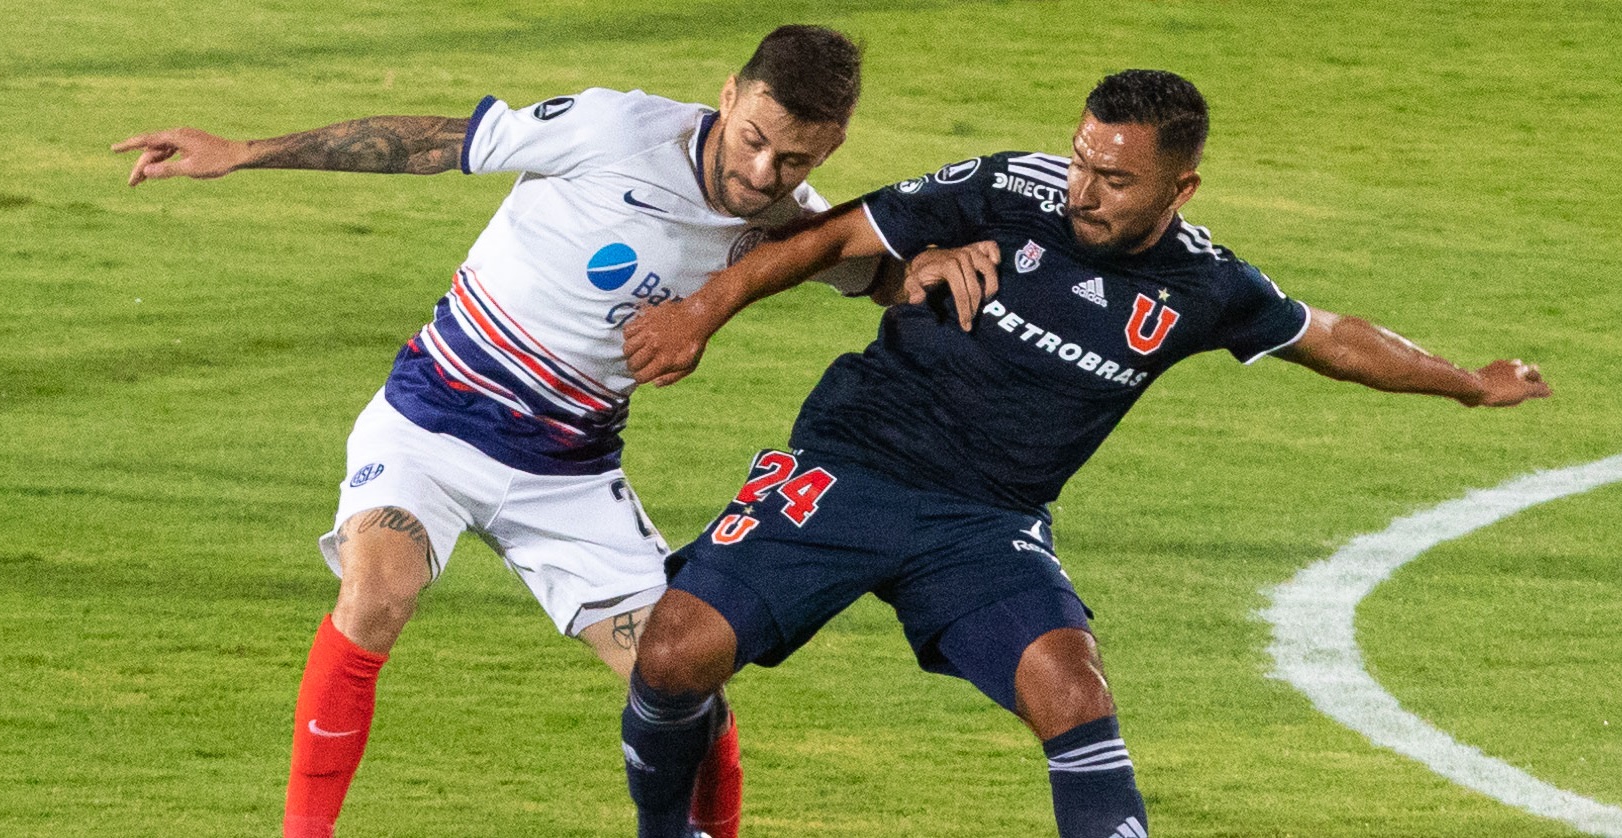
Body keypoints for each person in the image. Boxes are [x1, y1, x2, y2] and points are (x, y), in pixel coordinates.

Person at [616, 69, 1551, 838]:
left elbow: (1333, 336)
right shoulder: (1010, 188)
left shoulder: (1205, 286)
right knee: (673, 653)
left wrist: (1469, 381)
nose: (1083, 191)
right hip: (850, 467)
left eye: (1115, 179)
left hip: (986, 524)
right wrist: (703, 314)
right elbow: (836, 234)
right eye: (1081, 161)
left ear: (1180, 189)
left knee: (1074, 693)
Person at [114, 25, 898, 838]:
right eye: (754, 141)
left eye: (796, 161)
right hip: (430, 427)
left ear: (831, 147)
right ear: (729, 94)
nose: (761, 173)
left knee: (680, 680)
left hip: (571, 473)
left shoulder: (791, 225)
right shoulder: (616, 131)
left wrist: (942, 259)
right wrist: (242, 151)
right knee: (378, 589)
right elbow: (438, 142)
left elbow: (883, 270)